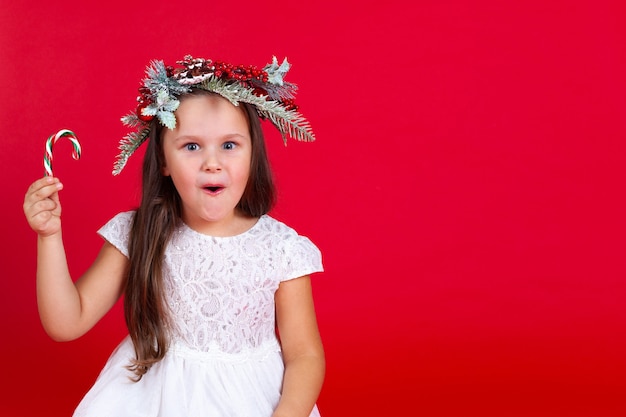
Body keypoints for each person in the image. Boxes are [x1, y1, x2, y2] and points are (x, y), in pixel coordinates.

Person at [23, 55, 325, 417]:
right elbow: (66, 323)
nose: (212, 162)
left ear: (252, 154)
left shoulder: (281, 248)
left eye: (229, 145)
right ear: (164, 161)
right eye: (191, 146)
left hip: (251, 399)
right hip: (155, 398)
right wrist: (49, 236)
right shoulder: (140, 232)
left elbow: (305, 354)